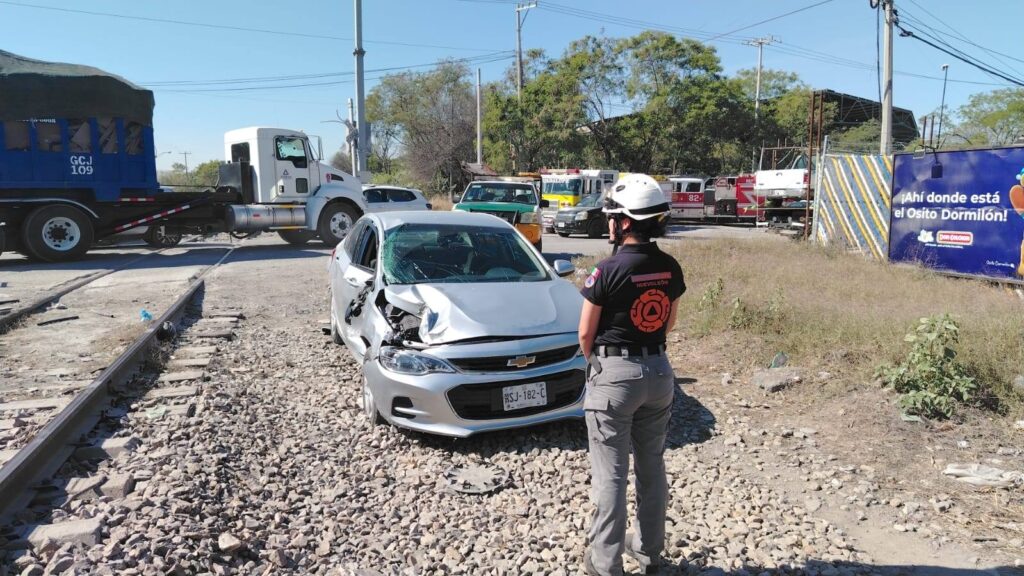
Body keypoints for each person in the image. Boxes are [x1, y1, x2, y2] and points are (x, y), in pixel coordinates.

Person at [578, 174, 686, 576]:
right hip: (659, 372)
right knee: (651, 467)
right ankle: (650, 555)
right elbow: (669, 323)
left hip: (615, 376)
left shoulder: (606, 271)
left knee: (611, 476)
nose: (608, 223)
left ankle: (606, 564)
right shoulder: (670, 267)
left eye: (611, 216)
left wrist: (603, 369)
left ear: (624, 221)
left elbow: (585, 333)